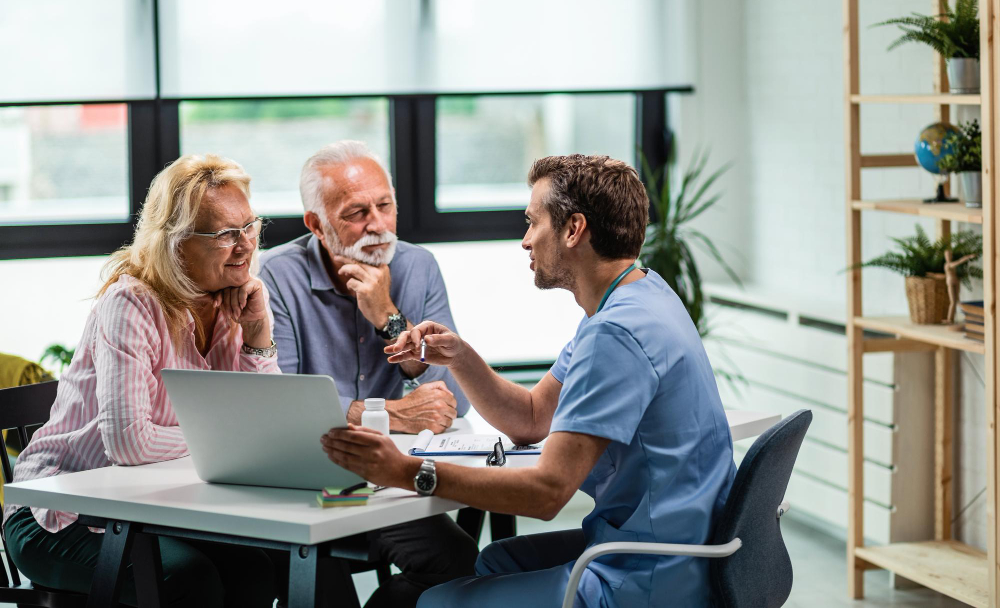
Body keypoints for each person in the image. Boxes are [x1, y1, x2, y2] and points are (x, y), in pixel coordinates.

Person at [321, 154, 737, 607]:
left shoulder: (615, 334)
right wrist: (460, 357)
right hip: (676, 545)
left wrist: (406, 471)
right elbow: (532, 417)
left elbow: (546, 494)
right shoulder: (638, 295)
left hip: (650, 573)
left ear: (573, 229)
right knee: (493, 561)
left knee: (434, 602)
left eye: (532, 222)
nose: (524, 241)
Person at [2, 154, 278, 608]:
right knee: (189, 580)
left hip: (152, 509)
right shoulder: (130, 303)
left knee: (258, 569)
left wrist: (257, 336)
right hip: (58, 514)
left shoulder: (236, 297)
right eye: (226, 233)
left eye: (250, 226)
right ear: (176, 242)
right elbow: (129, 444)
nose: (246, 245)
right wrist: (226, 440)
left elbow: (264, 427)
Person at [259, 140, 478, 608]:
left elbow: (455, 396)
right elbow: (282, 404)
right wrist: (389, 414)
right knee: (315, 562)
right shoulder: (276, 276)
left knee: (458, 558)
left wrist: (389, 318)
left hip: (386, 481)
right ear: (316, 225)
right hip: (312, 484)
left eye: (385, 206)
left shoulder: (418, 267)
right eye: (357, 212)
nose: (377, 226)